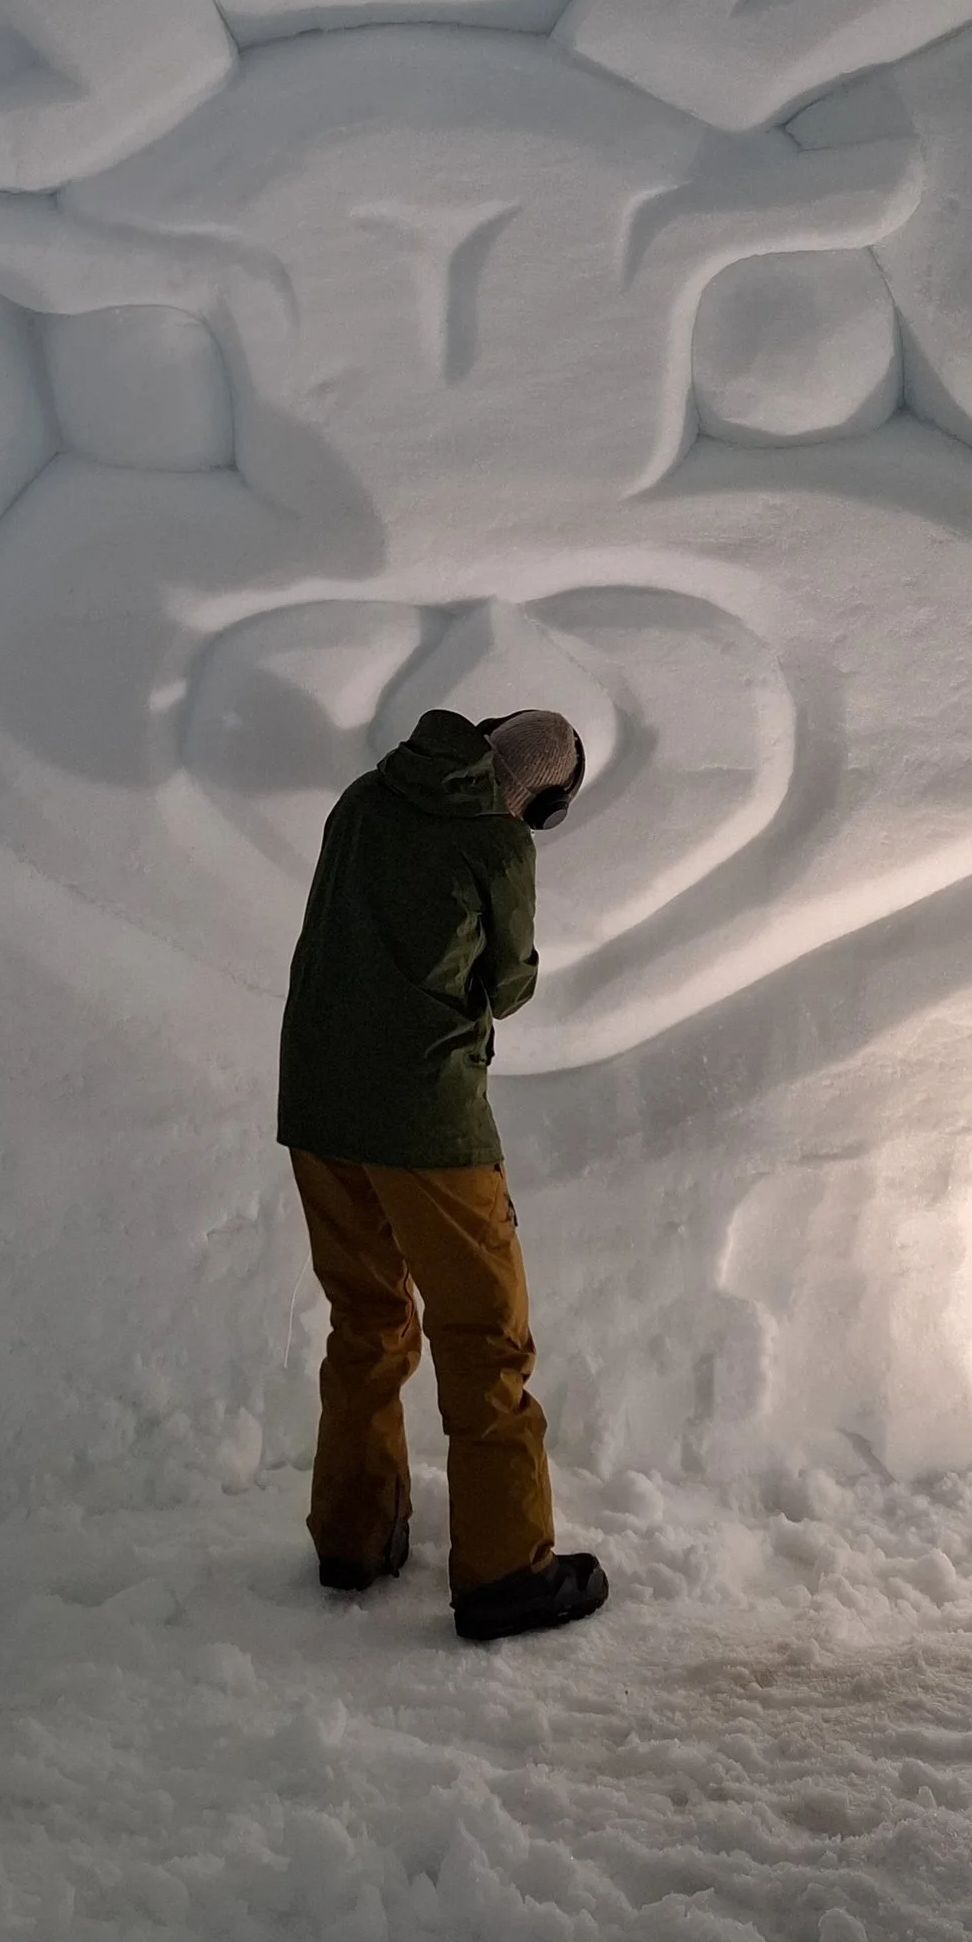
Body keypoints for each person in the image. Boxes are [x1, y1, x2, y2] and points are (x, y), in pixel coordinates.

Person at [277, 704, 609, 1644]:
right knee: (483, 1336)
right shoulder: (496, 847)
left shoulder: (364, 798)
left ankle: (354, 1539)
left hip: (315, 1101)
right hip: (425, 1119)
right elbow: (510, 985)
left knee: (368, 1317)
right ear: (539, 800)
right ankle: (507, 1573)